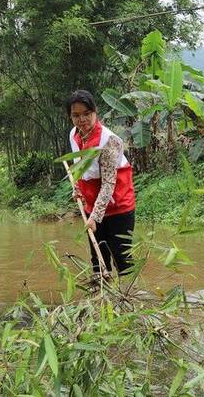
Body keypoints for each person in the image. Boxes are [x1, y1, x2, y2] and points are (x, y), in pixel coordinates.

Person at [67, 89, 136, 277]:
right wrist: (77, 189)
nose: (82, 120)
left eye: (87, 114)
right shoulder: (74, 135)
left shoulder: (109, 141)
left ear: (95, 112)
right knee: (98, 261)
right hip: (92, 204)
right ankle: (102, 300)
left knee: (123, 260)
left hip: (118, 206)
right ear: (70, 117)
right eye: (76, 115)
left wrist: (95, 217)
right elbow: (79, 168)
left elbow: (108, 184)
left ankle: (131, 300)